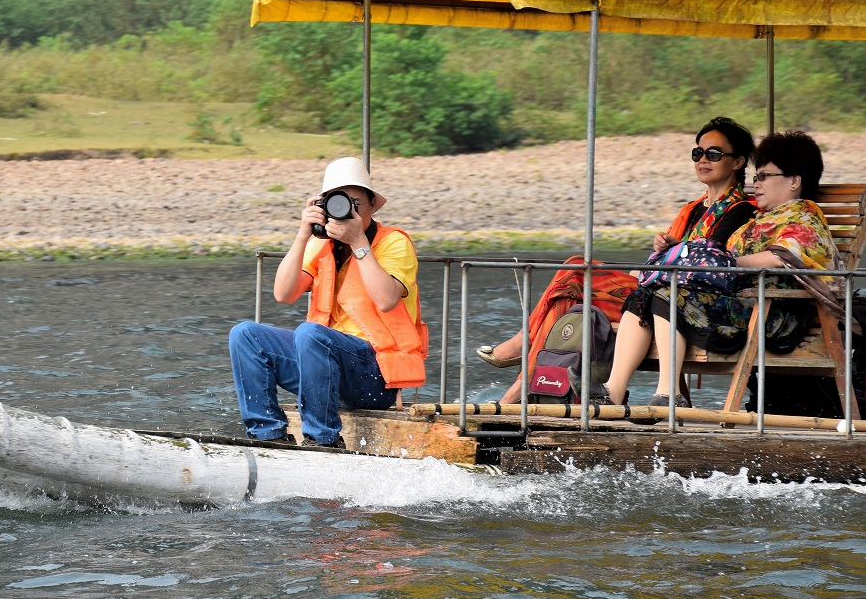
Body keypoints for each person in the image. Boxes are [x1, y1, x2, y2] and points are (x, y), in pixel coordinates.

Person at [479, 117, 758, 405]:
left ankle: (524, 373)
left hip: (692, 298)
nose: (703, 160)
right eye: (697, 153)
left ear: (737, 162)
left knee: (575, 277)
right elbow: (668, 259)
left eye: (714, 154)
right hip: (660, 286)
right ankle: (534, 388)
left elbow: (711, 257)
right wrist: (664, 248)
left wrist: (673, 250)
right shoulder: (693, 209)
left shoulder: (741, 210)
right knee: (570, 292)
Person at [618, 129, 839, 405]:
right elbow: (722, 253)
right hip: (740, 306)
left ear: (794, 181)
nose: (755, 184)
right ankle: (614, 393)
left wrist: (726, 264)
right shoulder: (761, 220)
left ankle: (668, 394)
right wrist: (684, 249)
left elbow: (782, 256)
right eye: (756, 176)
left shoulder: (805, 217)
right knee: (645, 295)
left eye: (764, 176)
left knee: (668, 292)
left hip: (773, 313)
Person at [229, 157, 428, 447]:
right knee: (245, 334)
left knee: (310, 334)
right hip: (321, 367)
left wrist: (358, 242)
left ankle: (323, 440)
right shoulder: (321, 244)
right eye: (338, 202)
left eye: (355, 203)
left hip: (377, 376)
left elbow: (386, 300)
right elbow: (284, 294)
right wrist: (302, 234)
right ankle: (268, 435)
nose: (347, 210)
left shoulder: (394, 243)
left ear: (372, 205)